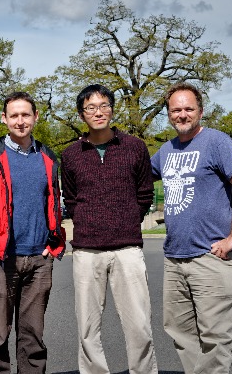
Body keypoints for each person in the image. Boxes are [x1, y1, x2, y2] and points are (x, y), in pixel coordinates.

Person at [151, 82, 232, 374]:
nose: (182, 114)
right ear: (168, 113)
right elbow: (133, 178)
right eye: (176, 109)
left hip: (211, 258)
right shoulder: (166, 150)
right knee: (180, 333)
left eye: (188, 108)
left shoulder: (217, 142)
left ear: (200, 110)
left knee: (216, 338)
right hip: (175, 259)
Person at [0, 91, 66, 373]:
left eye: (25, 115)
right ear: (4, 119)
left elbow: (54, 202)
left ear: (35, 117)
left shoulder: (47, 157)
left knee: (33, 337)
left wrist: (53, 243)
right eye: (14, 116)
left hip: (39, 259)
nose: (20, 121)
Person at [60, 84, 158, 374]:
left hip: (127, 248)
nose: (98, 112)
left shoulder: (135, 148)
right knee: (88, 328)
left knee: (139, 324)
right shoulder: (71, 155)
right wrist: (90, 221)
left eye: (104, 105)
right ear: (82, 114)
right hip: (87, 250)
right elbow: (72, 199)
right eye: (90, 107)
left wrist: (126, 219)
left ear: (112, 109)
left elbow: (145, 194)